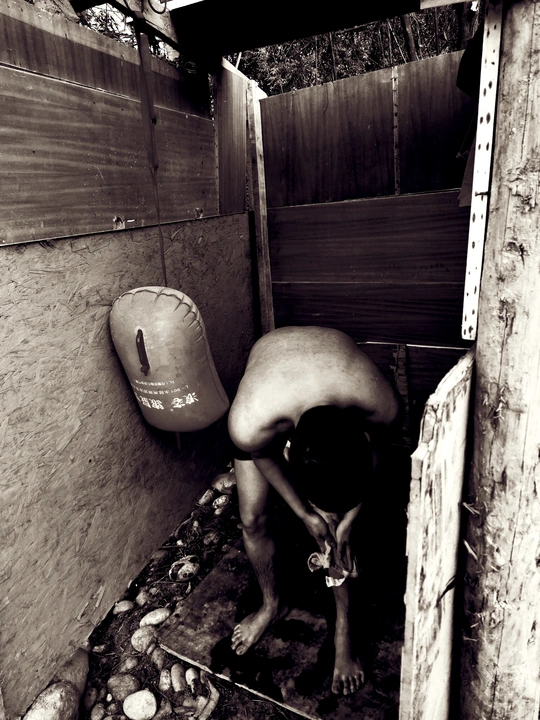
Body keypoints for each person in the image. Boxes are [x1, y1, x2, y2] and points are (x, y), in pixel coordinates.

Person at [227, 326, 401, 696]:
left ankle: (343, 630)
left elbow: (378, 450)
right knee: (252, 520)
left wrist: (350, 517)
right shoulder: (250, 423)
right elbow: (263, 456)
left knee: (335, 528)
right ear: (290, 451)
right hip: (271, 382)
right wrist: (306, 514)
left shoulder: (379, 405)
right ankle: (272, 604)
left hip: (335, 368)